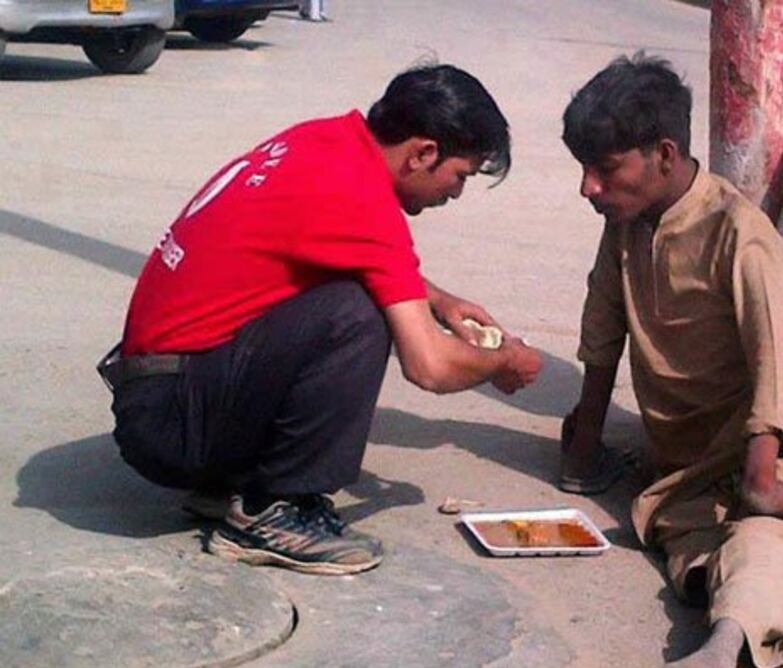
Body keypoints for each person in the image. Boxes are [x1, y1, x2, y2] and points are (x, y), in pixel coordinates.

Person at [100, 64, 543, 576]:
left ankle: (230, 484)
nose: (455, 194)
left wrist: (439, 302)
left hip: (162, 394)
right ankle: (270, 511)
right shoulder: (363, 199)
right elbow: (430, 367)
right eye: (459, 176)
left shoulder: (325, 141)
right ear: (423, 153)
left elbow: (335, 245)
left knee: (354, 295)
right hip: (173, 424)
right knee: (357, 315)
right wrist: (502, 360)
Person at [559, 54, 783, 668]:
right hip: (688, 466)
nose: (588, 188)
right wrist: (584, 446)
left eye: (604, 170)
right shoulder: (627, 225)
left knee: (759, 532)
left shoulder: (741, 234)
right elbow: (602, 335)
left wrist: (761, 478)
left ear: (663, 152)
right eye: (584, 170)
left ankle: (716, 655)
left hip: (774, 444)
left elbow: (776, 366)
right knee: (698, 549)